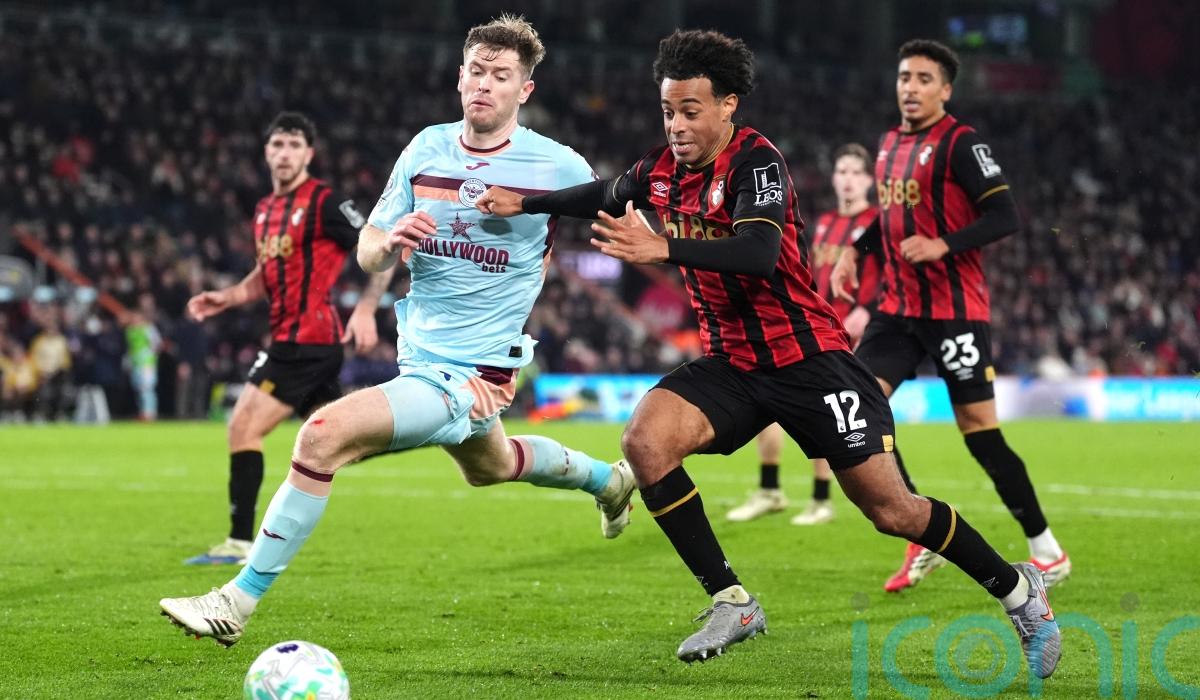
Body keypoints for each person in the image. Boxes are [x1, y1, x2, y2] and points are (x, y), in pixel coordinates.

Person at [476, 29, 1061, 677]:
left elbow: (758, 252)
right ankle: (732, 601)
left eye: (690, 111)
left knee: (892, 511)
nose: (676, 126)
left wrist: (662, 248)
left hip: (809, 358)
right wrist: (526, 204)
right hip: (734, 363)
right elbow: (605, 194)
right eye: (668, 111)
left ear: (728, 105)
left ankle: (1018, 589)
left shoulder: (757, 163)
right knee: (645, 442)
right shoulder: (660, 170)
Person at [160, 15, 634, 647]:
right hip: (420, 358)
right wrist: (388, 243)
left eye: (501, 76)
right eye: (476, 71)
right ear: (459, 77)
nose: (484, 84)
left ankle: (235, 603)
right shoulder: (425, 148)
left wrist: (630, 237)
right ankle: (609, 480)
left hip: (477, 371)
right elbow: (369, 249)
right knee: (493, 466)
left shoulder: (554, 164)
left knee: (321, 436)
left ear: (525, 89)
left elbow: (618, 205)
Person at [830, 39, 1071, 593]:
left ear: (945, 90)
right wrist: (854, 251)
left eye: (923, 79)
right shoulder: (889, 143)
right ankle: (919, 528)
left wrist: (943, 244)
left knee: (980, 433)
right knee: (857, 404)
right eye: (904, 77)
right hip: (897, 309)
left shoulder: (962, 142)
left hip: (954, 312)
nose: (911, 88)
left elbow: (1004, 215)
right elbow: (888, 216)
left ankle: (1047, 550)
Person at [183, 111, 394, 565]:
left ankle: (240, 542)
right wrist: (228, 297)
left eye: (294, 145)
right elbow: (267, 272)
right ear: (266, 152)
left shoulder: (324, 202)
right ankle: (424, 429)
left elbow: (380, 249)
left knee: (243, 427)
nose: (285, 153)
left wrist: (364, 308)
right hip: (295, 339)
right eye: (278, 144)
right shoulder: (265, 210)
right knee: (338, 441)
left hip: (306, 342)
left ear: (309, 154)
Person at [726, 143, 885, 526]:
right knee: (770, 399)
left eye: (855, 172)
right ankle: (771, 489)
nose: (847, 179)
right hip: (818, 324)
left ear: (869, 180)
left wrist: (868, 309)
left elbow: (890, 273)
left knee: (830, 412)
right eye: (842, 171)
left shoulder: (875, 223)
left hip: (856, 330)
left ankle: (822, 499)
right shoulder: (826, 222)